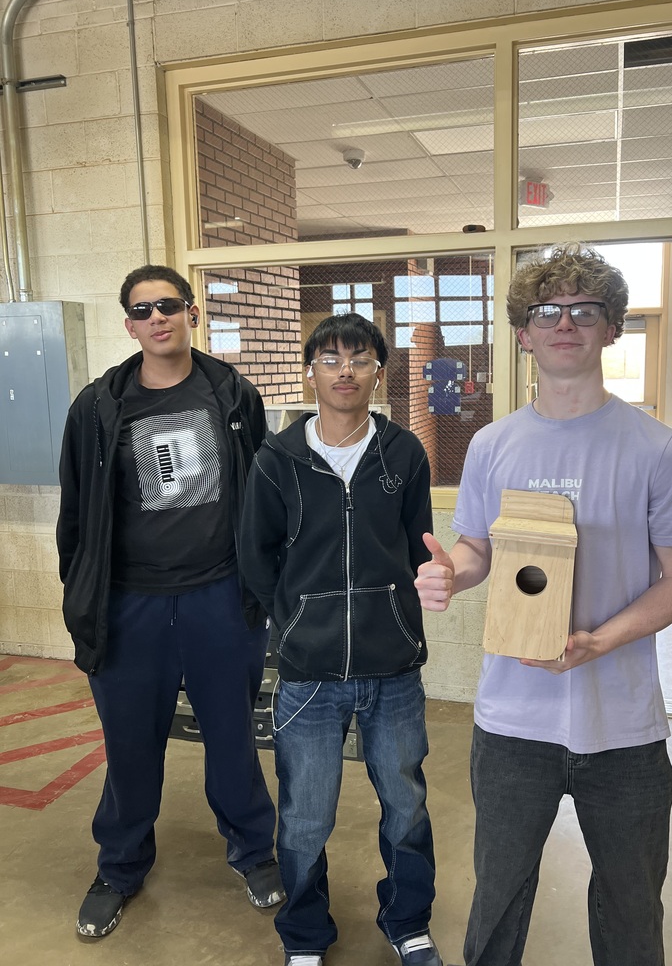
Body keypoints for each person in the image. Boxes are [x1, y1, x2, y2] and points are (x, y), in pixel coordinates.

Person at [414, 244, 672, 966]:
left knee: (632, 904)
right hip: (512, 722)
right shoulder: (491, 445)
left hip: (624, 727)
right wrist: (454, 572)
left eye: (586, 310)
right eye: (547, 310)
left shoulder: (659, 449)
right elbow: (480, 550)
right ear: (523, 333)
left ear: (612, 329)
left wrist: (600, 641)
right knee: (499, 895)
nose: (565, 323)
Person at [56, 264, 284, 940]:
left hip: (220, 598)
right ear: (129, 325)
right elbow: (76, 519)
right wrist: (84, 596)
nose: (158, 318)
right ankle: (120, 866)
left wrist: (263, 585)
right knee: (130, 747)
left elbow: (262, 495)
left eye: (169, 305)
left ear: (190, 314)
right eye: (143, 310)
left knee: (232, 737)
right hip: (132, 607)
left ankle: (253, 851)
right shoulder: (98, 408)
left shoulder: (233, 395)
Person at [239, 312, 442, 966]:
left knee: (406, 804)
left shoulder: (403, 453)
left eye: (359, 358)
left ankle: (407, 921)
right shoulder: (278, 459)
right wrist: (295, 620)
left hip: (393, 670)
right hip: (308, 674)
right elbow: (255, 554)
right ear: (312, 371)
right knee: (304, 817)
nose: (345, 370)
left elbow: (419, 553)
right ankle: (304, 935)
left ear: (379, 371)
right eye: (331, 358)